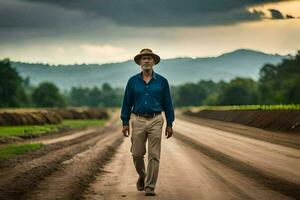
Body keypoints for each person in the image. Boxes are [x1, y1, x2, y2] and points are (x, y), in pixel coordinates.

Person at [120, 48, 175, 196]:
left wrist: (170, 123)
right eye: (143, 58)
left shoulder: (162, 82)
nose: (146, 61)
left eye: (149, 58)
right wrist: (125, 122)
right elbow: (126, 103)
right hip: (137, 119)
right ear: (139, 62)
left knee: (154, 155)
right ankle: (143, 175)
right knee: (137, 154)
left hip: (156, 119)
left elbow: (168, 103)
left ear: (153, 62)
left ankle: (150, 187)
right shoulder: (132, 81)